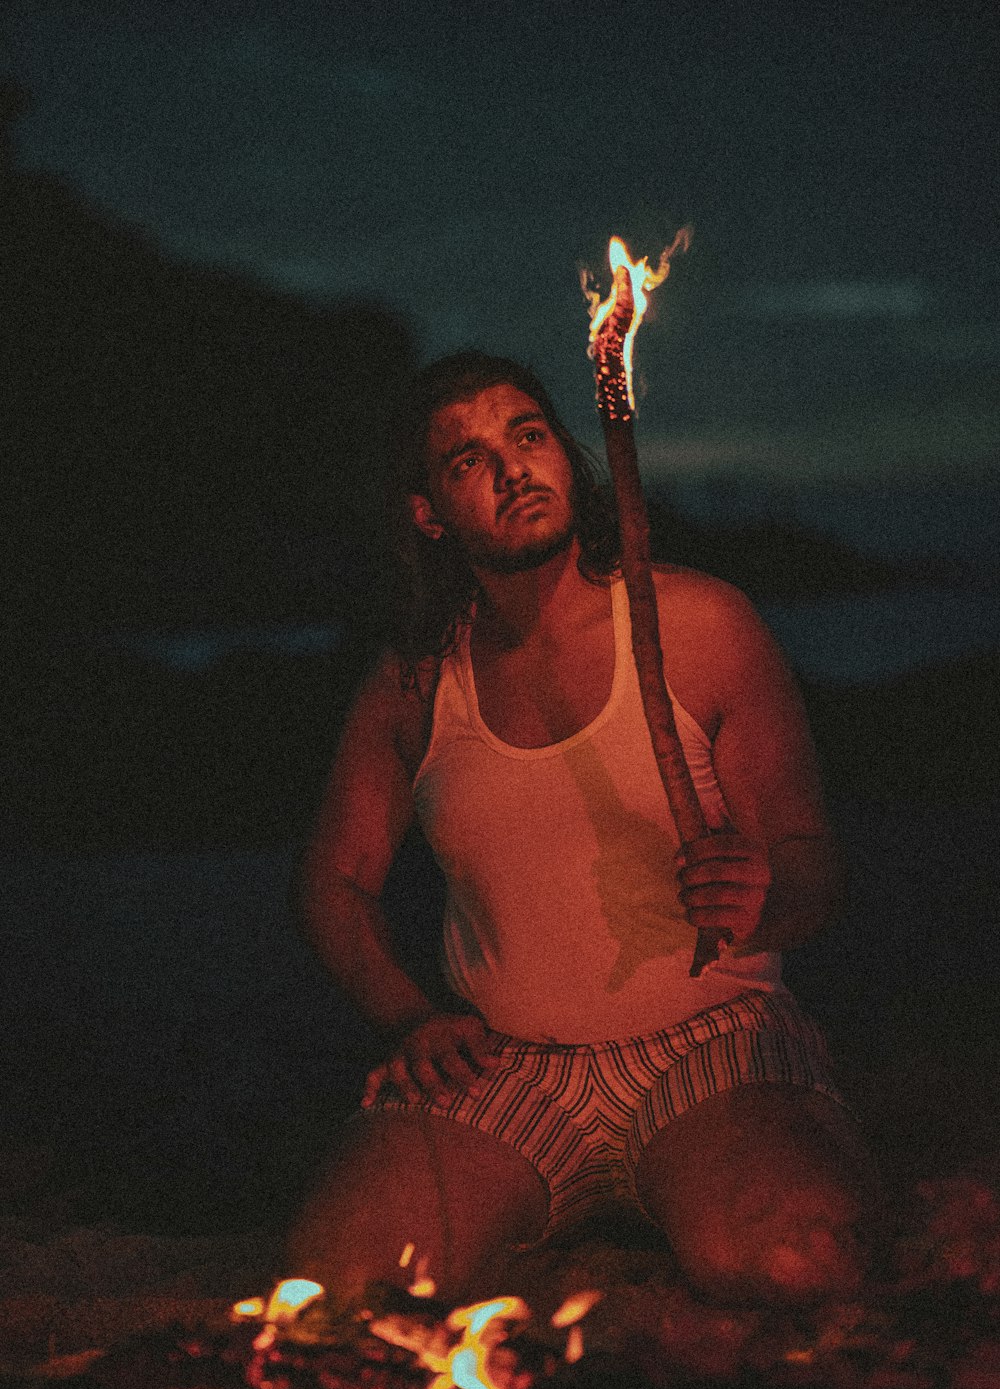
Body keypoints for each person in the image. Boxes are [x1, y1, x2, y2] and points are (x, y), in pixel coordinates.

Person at [287, 351, 878, 1309]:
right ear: (428, 514)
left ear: (570, 454)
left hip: (709, 1041)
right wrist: (407, 1017)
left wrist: (765, 898)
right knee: (338, 1293)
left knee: (803, 1260)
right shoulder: (416, 681)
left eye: (528, 435)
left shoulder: (702, 626)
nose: (515, 466)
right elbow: (334, 882)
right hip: (506, 1066)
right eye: (469, 459)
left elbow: (813, 862)